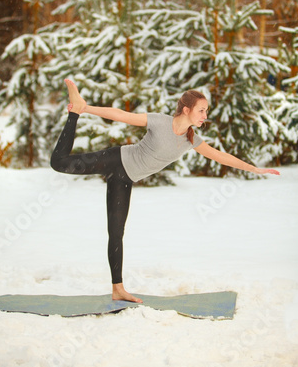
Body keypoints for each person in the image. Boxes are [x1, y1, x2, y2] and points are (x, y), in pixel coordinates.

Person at [50, 79, 280, 303]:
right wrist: (87, 109)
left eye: (206, 111)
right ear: (187, 109)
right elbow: (121, 114)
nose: (205, 116)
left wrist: (254, 169)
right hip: (116, 160)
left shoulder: (191, 140)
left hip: (125, 178)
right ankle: (76, 111)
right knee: (59, 163)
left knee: (116, 232)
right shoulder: (160, 121)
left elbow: (221, 157)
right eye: (201, 111)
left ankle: (118, 289)